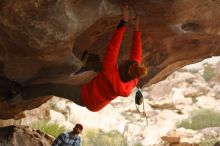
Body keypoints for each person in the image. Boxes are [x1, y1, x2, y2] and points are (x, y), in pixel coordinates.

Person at [2, 5, 148, 111]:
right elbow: (137, 55)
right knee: (99, 63)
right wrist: (137, 29)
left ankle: (17, 97)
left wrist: (124, 21)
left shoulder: (110, 71)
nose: (122, 61)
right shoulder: (134, 78)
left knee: (52, 87)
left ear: (121, 68)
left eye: (122, 64)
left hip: (87, 98)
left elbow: (113, 47)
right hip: (100, 96)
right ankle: (85, 65)